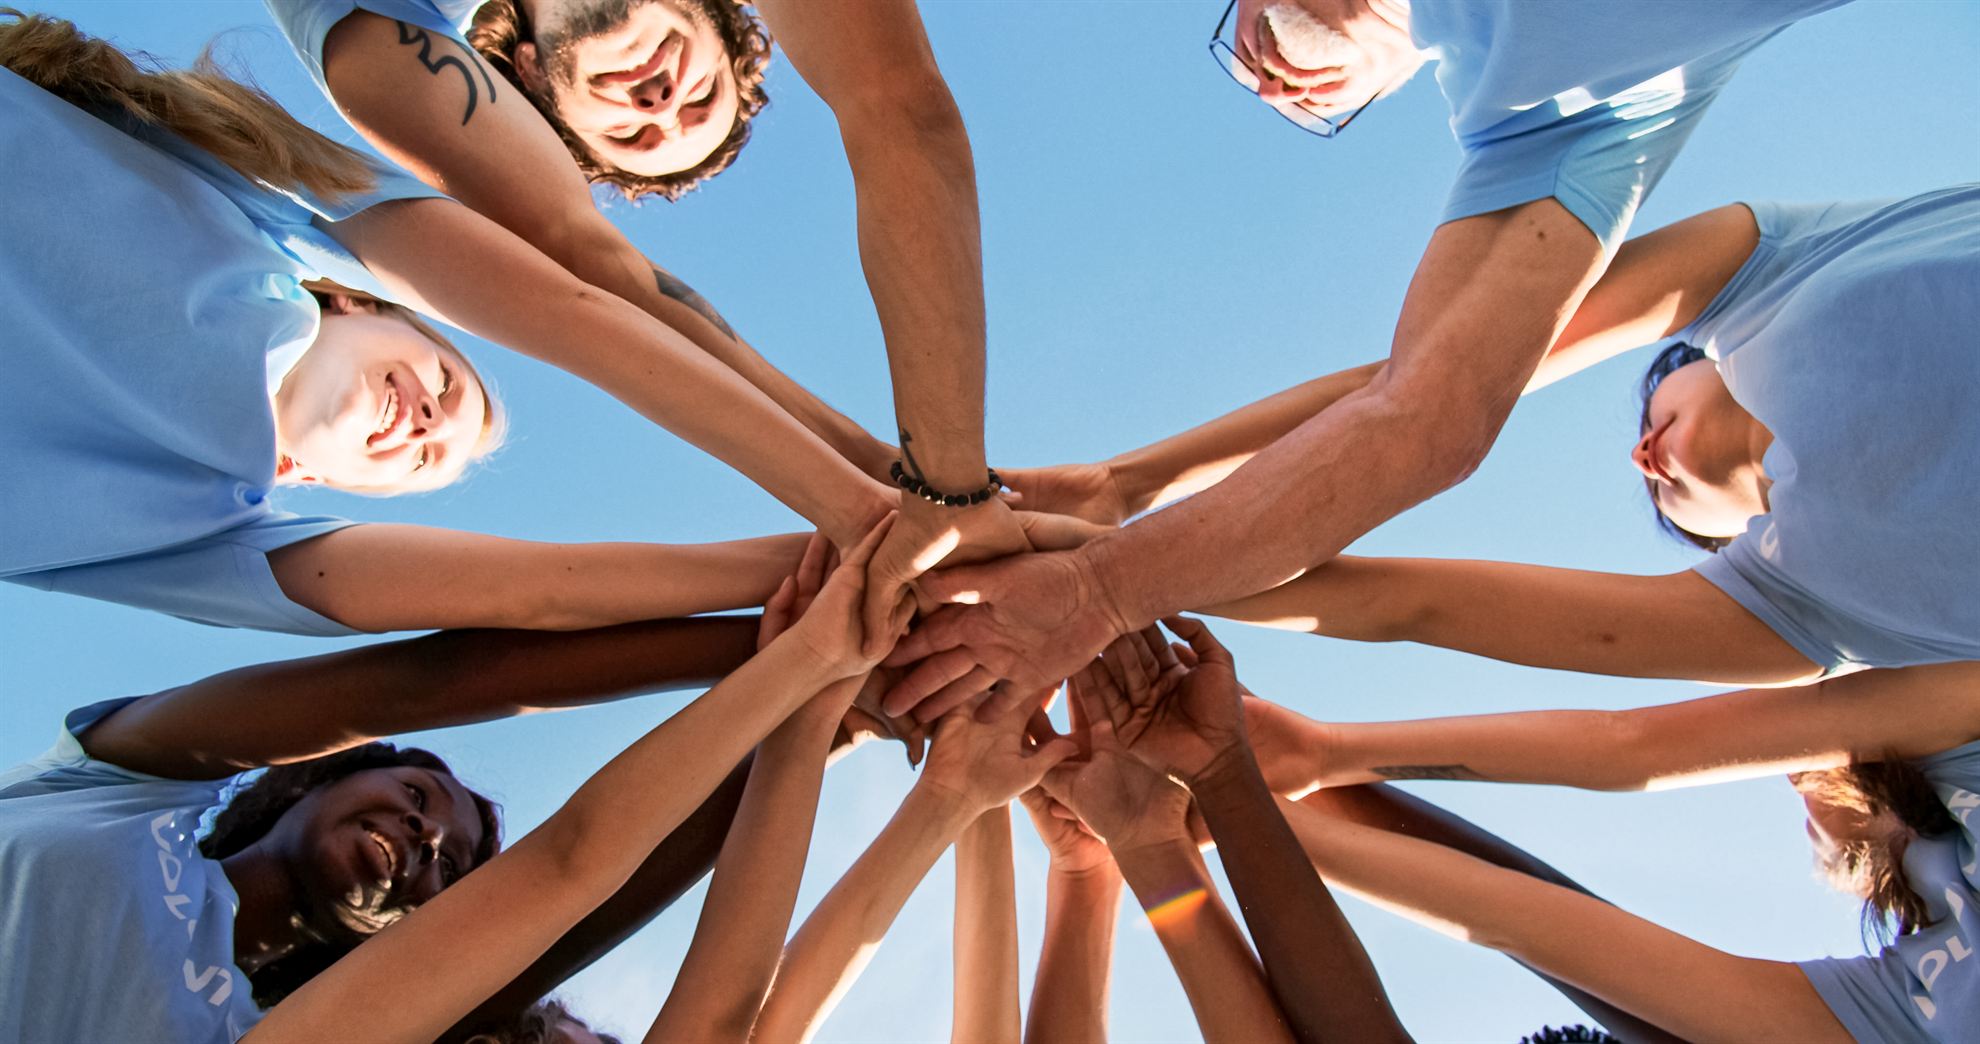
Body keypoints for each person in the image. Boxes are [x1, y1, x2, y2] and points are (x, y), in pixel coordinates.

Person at [878, 0, 1865, 716]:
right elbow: (1416, 408)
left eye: (1243, 31)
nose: (1268, 69)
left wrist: (1105, 582)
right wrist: (1119, 506)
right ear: (1377, 79)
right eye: (1283, 92)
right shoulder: (1559, 125)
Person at [0, 11, 901, 636]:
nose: (430, 423)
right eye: (445, 381)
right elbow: (576, 304)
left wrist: (885, 561)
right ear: (357, 301)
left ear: (309, 478)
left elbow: (538, 593)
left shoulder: (193, 533)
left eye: (425, 460)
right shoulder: (250, 203)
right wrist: (881, 502)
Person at [915, 185, 1979, 706]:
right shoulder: (1802, 616)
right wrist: (1091, 562)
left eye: (1654, 390)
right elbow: (1399, 601)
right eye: (1668, 517)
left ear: (1686, 352)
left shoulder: (1772, 270)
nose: (1642, 463)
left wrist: (1132, 482)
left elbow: (1426, 388)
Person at [261, 0, 1028, 633]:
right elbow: (893, 102)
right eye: (704, 96)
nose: (661, 105)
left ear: (525, 81)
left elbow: (598, 271)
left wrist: (903, 491)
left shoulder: (371, 40)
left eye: (628, 133)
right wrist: (942, 488)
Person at [243, 513, 911, 1041]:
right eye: (417, 794)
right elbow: (422, 691)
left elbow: (570, 894)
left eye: (448, 876)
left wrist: (822, 688)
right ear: (308, 779)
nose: (427, 835)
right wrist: (806, 656)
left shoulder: (317, 1024)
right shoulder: (152, 793)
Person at [1256, 659, 1980, 1040]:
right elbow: (1529, 920)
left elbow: (1624, 748)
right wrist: (1243, 789)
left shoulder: (1957, 735)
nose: (1792, 777)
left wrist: (1267, 779)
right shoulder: (1906, 997)